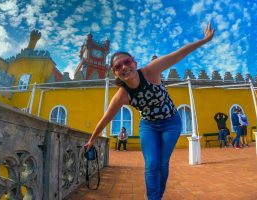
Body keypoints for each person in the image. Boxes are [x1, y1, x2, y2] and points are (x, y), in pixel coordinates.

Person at [85, 23, 215, 200]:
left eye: (127, 62)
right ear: (115, 74)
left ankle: (156, 196)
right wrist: (91, 140)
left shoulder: (151, 70)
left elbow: (179, 53)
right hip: (148, 126)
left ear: (134, 63)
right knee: (152, 164)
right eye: (118, 67)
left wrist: (204, 40)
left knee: (162, 162)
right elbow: (106, 118)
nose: (123, 67)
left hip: (171, 122)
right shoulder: (122, 95)